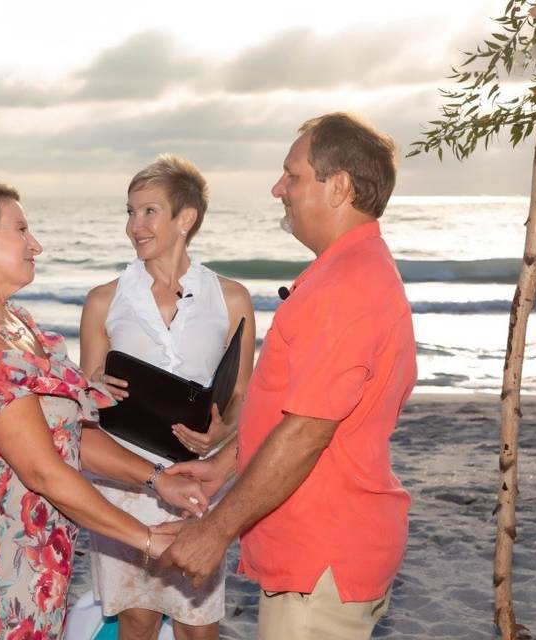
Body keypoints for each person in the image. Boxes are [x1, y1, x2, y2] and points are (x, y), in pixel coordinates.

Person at [0, 178, 209, 640]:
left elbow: (69, 439)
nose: (37, 245)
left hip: (39, 564)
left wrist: (157, 478)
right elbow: (43, 471)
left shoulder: (15, 325)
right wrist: (145, 540)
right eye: (22, 230)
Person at [156, 113, 418, 640]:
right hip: (324, 546)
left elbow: (306, 433)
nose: (278, 189)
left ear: (338, 186)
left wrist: (215, 530)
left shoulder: (346, 284)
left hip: (322, 554)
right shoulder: (348, 269)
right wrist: (226, 463)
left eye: (292, 175)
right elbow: (306, 410)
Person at [79, 154, 256, 640]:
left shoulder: (232, 298)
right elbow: (81, 408)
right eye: (130, 212)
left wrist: (224, 430)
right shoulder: (103, 300)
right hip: (123, 478)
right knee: (135, 618)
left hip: (197, 477)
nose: (135, 225)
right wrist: (90, 389)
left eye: (149, 211)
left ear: (186, 219)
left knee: (198, 623)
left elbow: (242, 393)